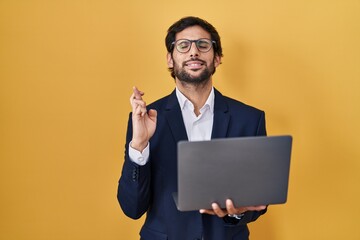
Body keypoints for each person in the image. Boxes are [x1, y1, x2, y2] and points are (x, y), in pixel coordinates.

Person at [118, 16, 268, 240]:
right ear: (170, 59)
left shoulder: (249, 119)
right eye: (183, 45)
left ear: (217, 58)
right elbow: (132, 208)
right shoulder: (144, 119)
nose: (193, 52)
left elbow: (258, 200)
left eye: (203, 45)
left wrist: (239, 213)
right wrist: (139, 145)